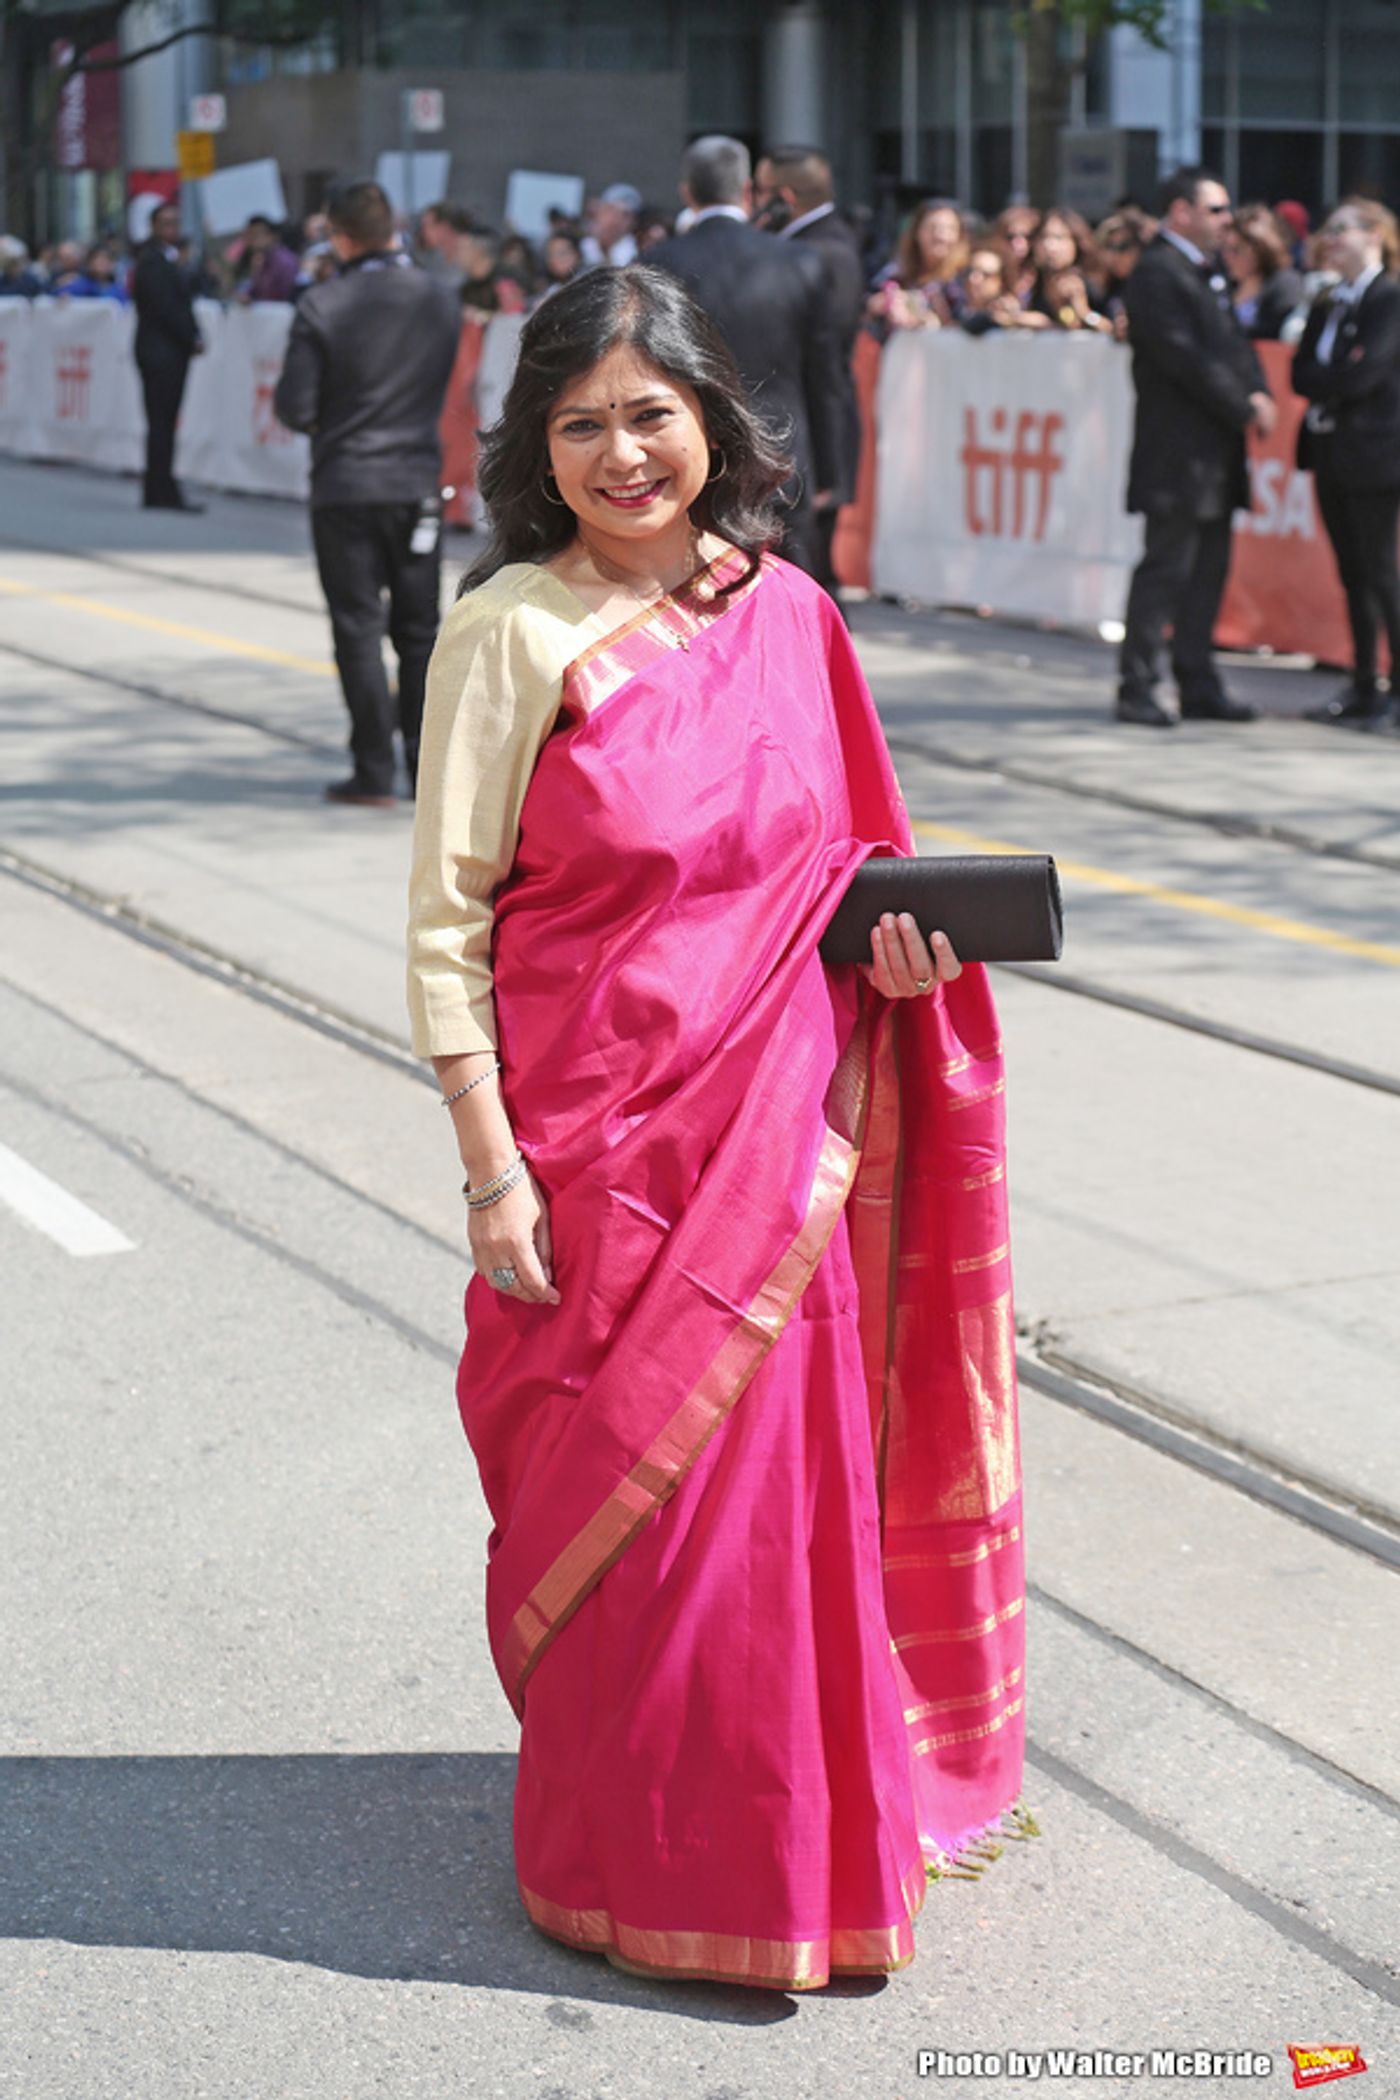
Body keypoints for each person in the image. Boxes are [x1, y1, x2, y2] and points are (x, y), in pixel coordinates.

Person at [405, 263, 1026, 1990]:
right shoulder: (513, 630)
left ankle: (796, 1862)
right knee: (637, 1523)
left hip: (778, 1150)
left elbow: (850, 875)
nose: (623, 454)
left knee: (758, 1529)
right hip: (597, 1159)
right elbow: (448, 926)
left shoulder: (793, 621)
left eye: (651, 416)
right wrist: (489, 1170)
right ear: (537, 446)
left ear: (711, 425)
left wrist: (904, 964)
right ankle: (633, 1861)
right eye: (582, 423)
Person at [273, 181, 460, 805]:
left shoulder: (324, 304)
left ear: (339, 236)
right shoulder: (440, 299)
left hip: (346, 484)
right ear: (395, 226)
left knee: (356, 628)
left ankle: (373, 769)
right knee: (419, 632)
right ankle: (424, 770)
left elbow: (295, 406)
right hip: (416, 482)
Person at [1116, 166, 1275, 728]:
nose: (1225, 220)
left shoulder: (1204, 271)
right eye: (1215, 209)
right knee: (1166, 571)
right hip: (1177, 455)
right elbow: (1185, 359)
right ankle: (1136, 684)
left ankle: (1197, 680)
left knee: (1207, 573)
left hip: (1213, 456)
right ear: (1180, 211)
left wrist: (1257, 387)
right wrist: (1244, 404)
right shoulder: (1158, 271)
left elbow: (1231, 344)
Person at [647, 135, 845, 577]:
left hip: (693, 454)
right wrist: (829, 470)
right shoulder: (801, 262)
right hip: (782, 451)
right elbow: (826, 376)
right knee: (791, 591)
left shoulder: (658, 263)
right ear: (748, 191)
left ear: (687, 194)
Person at [1292, 199, 1400, 732]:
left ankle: (1396, 688)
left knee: (1381, 571)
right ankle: (1364, 683)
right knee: (1352, 573)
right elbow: (1300, 374)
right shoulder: (1330, 301)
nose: (1329, 240)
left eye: (1341, 230)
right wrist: (1336, 377)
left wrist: (1331, 379)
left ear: (1374, 234)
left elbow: (1368, 374)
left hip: (1376, 453)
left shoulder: (1389, 297)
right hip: (1330, 450)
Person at [764, 144, 867, 593]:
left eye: (761, 192)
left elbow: (828, 360)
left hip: (815, 435)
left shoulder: (827, 251)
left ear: (783, 197)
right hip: (800, 435)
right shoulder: (805, 246)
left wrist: (828, 467)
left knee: (812, 579)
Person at [132, 202, 205, 513]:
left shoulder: (170, 260)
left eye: (176, 222)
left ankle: (158, 487)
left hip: (166, 352)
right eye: (166, 223)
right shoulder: (152, 262)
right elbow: (167, 308)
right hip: (161, 353)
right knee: (161, 421)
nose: (172, 229)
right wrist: (192, 337)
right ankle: (162, 489)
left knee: (162, 422)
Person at [875, 197, 969, 329]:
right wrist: (882, 304)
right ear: (916, 232)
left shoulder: (968, 276)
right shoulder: (897, 272)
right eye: (932, 228)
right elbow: (867, 303)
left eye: (949, 229)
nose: (940, 236)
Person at [1223, 206, 1304, 340]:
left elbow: (1276, 335)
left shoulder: (1285, 284)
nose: (1227, 256)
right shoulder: (1227, 285)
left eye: (1236, 250)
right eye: (1225, 249)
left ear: (1261, 249)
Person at [237, 215, 299, 303]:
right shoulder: (262, 261)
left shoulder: (284, 262)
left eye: (256, 235)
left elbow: (280, 297)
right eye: (250, 234)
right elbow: (254, 291)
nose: (252, 239)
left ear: (272, 236)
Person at [580, 183, 641, 268]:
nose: (615, 220)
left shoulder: (636, 255)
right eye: (610, 211)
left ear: (633, 222)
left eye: (625, 215)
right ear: (598, 212)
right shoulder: (580, 246)